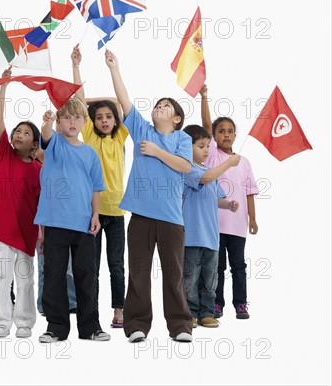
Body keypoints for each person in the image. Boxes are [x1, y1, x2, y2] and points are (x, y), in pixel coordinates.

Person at [105, 49, 194, 343]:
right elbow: (124, 100)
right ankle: (137, 325)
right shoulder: (142, 129)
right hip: (141, 216)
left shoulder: (182, 139)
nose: (159, 108)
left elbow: (184, 166)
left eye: (166, 106)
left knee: (174, 274)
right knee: (138, 273)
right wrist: (114, 69)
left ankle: (180, 326)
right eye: (157, 105)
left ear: (177, 118)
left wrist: (156, 151)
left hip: (171, 218)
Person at [35, 97, 110, 343]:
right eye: (66, 117)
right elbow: (45, 136)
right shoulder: (54, 143)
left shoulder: (90, 154)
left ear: (84, 122)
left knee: (87, 275)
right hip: (56, 222)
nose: (72, 121)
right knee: (54, 274)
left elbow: (95, 189)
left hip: (84, 224)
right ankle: (56, 327)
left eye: (77, 117)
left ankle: (90, 327)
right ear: (58, 122)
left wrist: (96, 215)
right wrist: (46, 123)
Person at [72, 44, 127, 328]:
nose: (104, 120)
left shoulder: (120, 137)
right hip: (89, 211)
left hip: (116, 212)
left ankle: (119, 311)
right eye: (99, 117)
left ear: (116, 121)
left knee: (116, 266)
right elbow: (80, 104)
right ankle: (89, 312)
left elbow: (121, 103)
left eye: (109, 117)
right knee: (89, 268)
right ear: (92, 122)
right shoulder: (90, 135)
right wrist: (76, 66)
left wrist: (112, 69)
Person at [0, 71, 42, 339]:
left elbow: (42, 204)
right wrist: (3, 86)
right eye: (17, 131)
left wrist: (42, 234)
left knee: (25, 279)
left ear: (34, 143)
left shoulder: (38, 169)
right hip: (2, 229)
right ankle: (1, 321)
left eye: (26, 133)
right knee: (2, 276)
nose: (20, 134)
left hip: (26, 231)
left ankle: (24, 322)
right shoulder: (5, 154)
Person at [200, 85, 259, 319]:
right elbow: (205, 124)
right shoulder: (212, 155)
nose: (226, 134)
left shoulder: (243, 161)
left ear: (235, 135)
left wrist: (252, 219)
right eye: (221, 131)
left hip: (237, 225)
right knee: (217, 267)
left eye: (230, 131)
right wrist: (205, 97)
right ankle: (217, 303)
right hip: (214, 223)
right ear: (214, 136)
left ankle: (241, 303)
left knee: (239, 266)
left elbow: (250, 192)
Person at [181, 125, 240, 328]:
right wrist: (229, 163)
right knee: (190, 278)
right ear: (185, 147)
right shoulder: (186, 169)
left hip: (212, 238)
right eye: (201, 146)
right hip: (191, 237)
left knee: (210, 278)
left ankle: (207, 312)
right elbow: (205, 180)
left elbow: (218, 198)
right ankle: (190, 312)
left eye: (207, 146)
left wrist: (228, 204)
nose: (206, 150)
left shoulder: (209, 171)